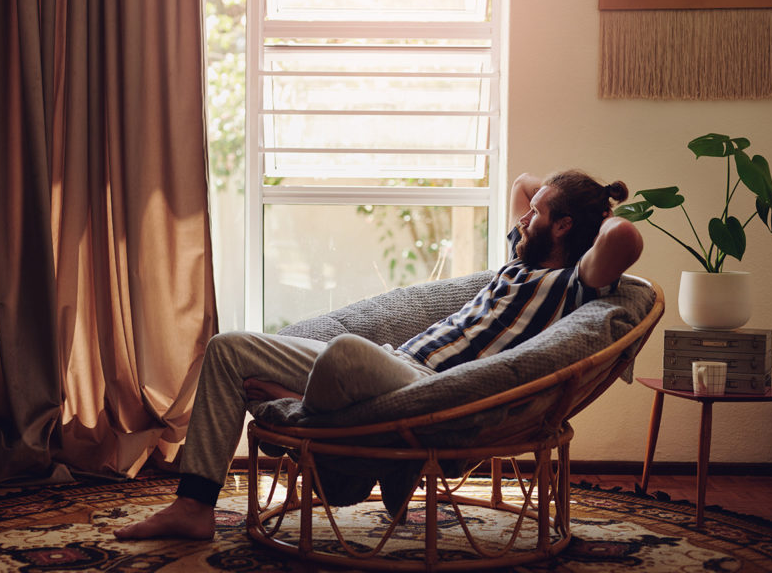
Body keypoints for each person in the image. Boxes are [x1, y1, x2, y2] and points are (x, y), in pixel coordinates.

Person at [113, 169, 643, 540]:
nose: (524, 216)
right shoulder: (520, 260)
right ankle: (193, 505)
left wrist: (599, 204)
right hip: (391, 365)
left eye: (537, 213)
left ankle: (300, 404)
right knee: (227, 348)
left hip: (428, 389)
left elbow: (625, 238)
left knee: (343, 354)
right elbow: (524, 182)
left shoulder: (575, 283)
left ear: (566, 226)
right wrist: (553, 198)